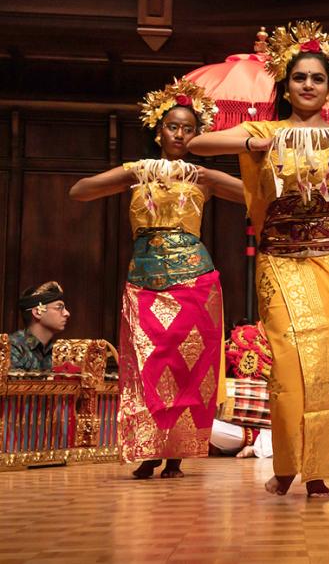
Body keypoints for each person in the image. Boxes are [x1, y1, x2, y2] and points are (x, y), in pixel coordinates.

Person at [189, 21, 329, 499]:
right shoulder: (265, 129)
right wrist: (253, 144)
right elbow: (198, 144)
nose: (309, 85)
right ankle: (289, 463)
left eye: (318, 78)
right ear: (286, 86)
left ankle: (317, 469)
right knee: (290, 362)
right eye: (300, 78)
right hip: (281, 256)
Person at [69, 80, 243, 479]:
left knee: (187, 370)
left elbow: (256, 196)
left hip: (194, 281)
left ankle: (177, 456)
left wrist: (208, 169)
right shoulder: (138, 173)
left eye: (188, 128)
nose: (180, 134)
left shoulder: (202, 176)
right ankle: (149, 449)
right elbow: (79, 191)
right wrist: (135, 170)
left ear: (197, 135)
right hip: (144, 280)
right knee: (147, 366)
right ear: (158, 131)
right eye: (172, 127)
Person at [9, 282, 70, 371]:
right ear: (37, 312)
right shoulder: (12, 347)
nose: (67, 313)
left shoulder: (58, 352)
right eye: (59, 307)